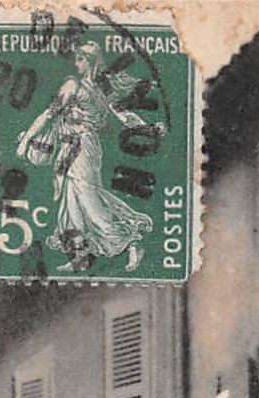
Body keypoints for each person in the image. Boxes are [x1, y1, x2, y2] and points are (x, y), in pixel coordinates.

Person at [15, 41, 158, 272]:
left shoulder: (75, 86)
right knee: (72, 203)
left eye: (81, 59)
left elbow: (48, 115)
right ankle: (80, 255)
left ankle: (130, 243)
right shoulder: (103, 89)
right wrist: (146, 128)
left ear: (90, 62)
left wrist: (25, 141)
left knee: (89, 202)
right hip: (73, 148)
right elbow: (124, 115)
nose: (76, 63)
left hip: (81, 149)